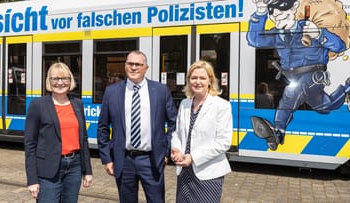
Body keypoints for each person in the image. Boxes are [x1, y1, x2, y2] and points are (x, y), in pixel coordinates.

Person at [247, 0, 350, 150]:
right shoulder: (277, 34)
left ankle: (278, 131)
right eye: (275, 18)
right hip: (293, 78)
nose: (279, 21)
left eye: (283, 16)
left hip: (313, 76)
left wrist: (319, 34)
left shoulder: (309, 28)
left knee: (291, 93)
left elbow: (340, 46)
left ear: (294, 8)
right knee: (325, 106)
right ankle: (346, 89)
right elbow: (254, 39)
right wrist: (261, 12)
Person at [97, 50, 177, 203]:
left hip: (152, 160)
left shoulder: (160, 90)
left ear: (145, 68)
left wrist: (166, 152)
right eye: (130, 64)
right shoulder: (111, 91)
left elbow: (174, 122)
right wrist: (107, 158)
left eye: (138, 64)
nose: (134, 67)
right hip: (124, 160)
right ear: (125, 66)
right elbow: (102, 127)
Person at [24, 62, 93, 202]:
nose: (60, 83)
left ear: (70, 81)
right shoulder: (38, 105)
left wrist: (88, 171)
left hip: (74, 167)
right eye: (55, 79)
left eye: (64, 78)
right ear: (49, 81)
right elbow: (30, 144)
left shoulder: (77, 104)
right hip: (48, 169)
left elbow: (83, 139)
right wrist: (32, 179)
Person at [171, 61, 233, 203]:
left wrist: (193, 157)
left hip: (208, 174)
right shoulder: (184, 104)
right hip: (184, 173)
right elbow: (177, 133)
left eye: (202, 78)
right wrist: (176, 149)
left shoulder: (221, 106)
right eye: (193, 78)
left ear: (210, 81)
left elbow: (223, 143)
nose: (197, 82)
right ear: (188, 81)